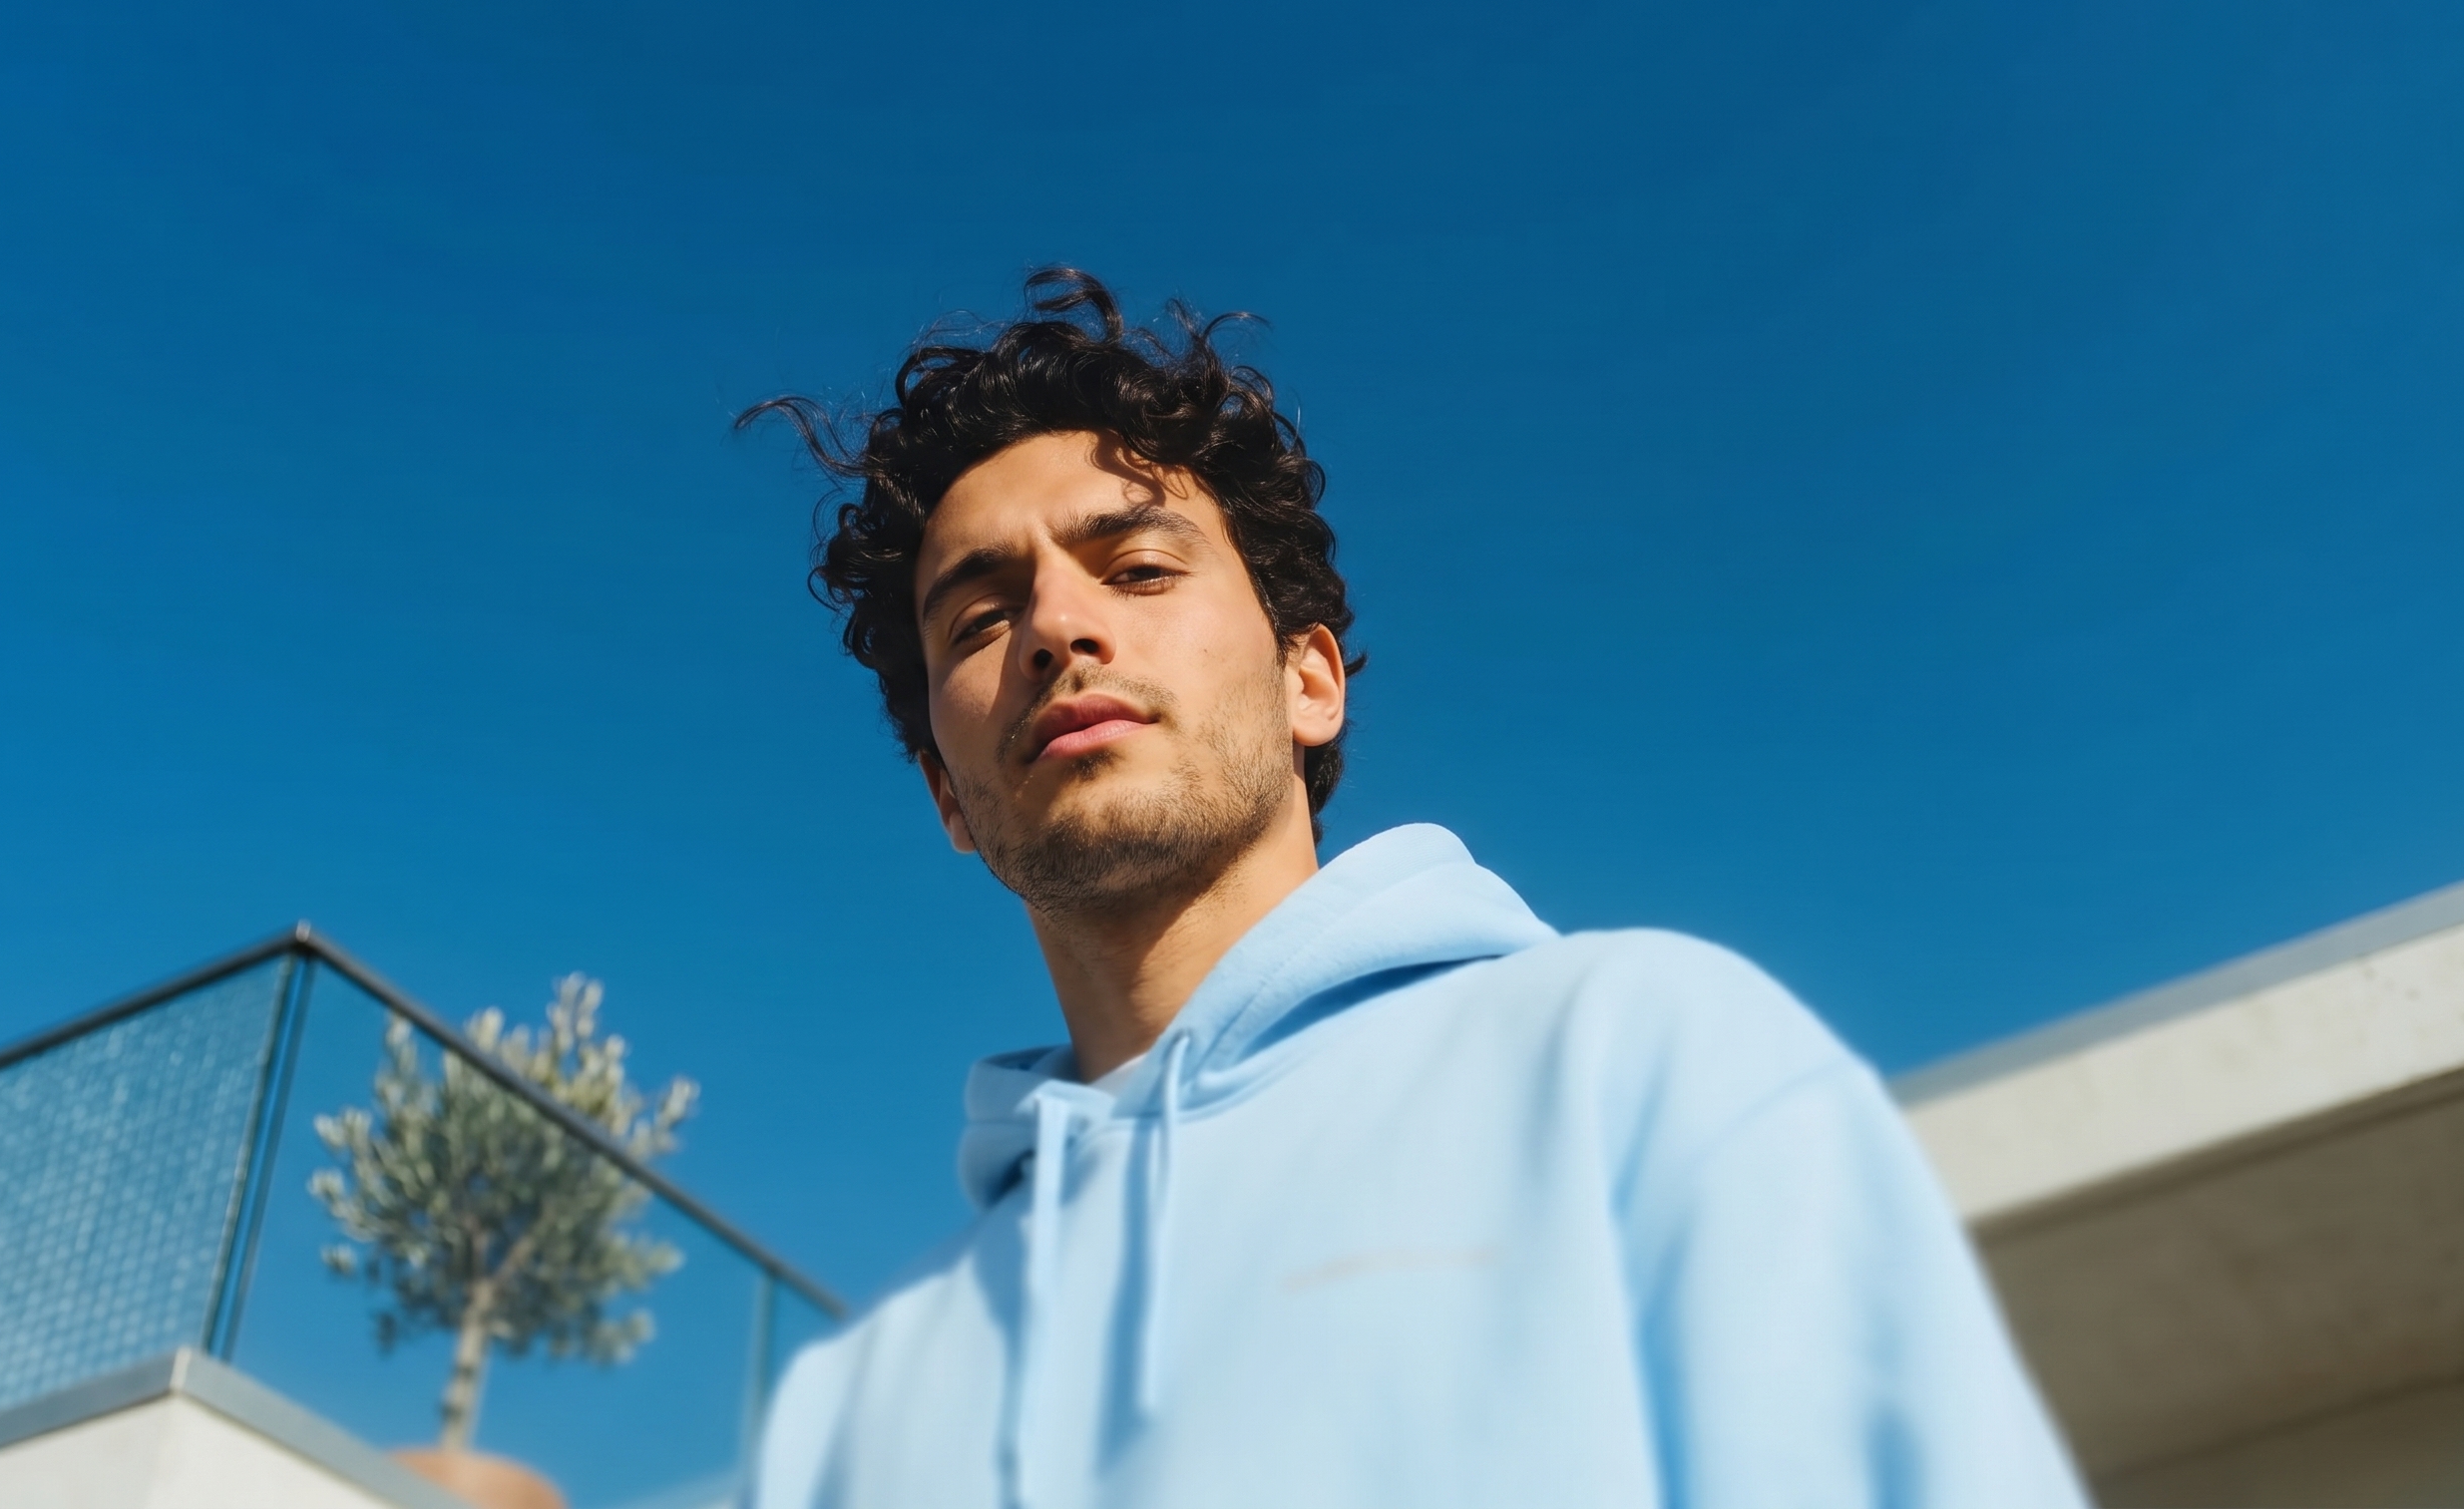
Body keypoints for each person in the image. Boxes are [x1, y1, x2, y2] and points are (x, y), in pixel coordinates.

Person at [736, 270, 2084, 1509]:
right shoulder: (849, 1413)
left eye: (1139, 567)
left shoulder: (1641, 1061)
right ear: (947, 800)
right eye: (977, 622)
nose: (1058, 630)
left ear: (1307, 680)